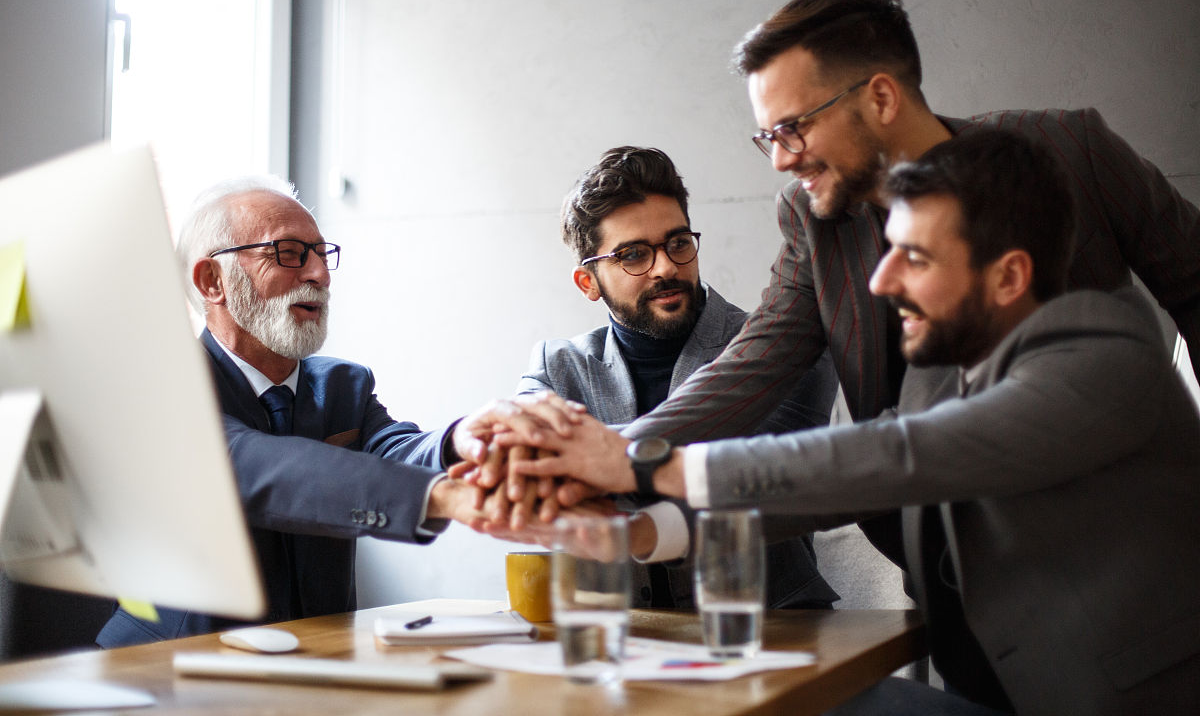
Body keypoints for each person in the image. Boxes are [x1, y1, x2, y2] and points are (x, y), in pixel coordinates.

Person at [505, 130, 1200, 714]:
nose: (879, 280)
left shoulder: (1105, 353)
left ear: (1009, 277)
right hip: (997, 673)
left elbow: (888, 459)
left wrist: (650, 464)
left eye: (914, 257)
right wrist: (644, 531)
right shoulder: (935, 370)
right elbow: (854, 488)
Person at [619, 0, 1200, 449]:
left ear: (881, 98)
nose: (779, 160)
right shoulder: (810, 217)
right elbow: (752, 365)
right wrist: (620, 457)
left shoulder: (1073, 149)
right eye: (767, 136)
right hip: (938, 567)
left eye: (792, 129)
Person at [96, 176, 491, 647]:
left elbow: (395, 450)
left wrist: (461, 440)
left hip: (319, 657)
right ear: (212, 281)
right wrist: (443, 498)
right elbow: (251, 464)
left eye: (322, 254)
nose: (319, 275)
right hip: (167, 671)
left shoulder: (345, 385)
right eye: (288, 253)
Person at [517, 145, 839, 610]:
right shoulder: (557, 365)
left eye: (679, 243)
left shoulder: (783, 343)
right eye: (633, 254)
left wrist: (579, 458)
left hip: (770, 630)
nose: (666, 267)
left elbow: (752, 479)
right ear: (589, 283)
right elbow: (527, 466)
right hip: (620, 637)